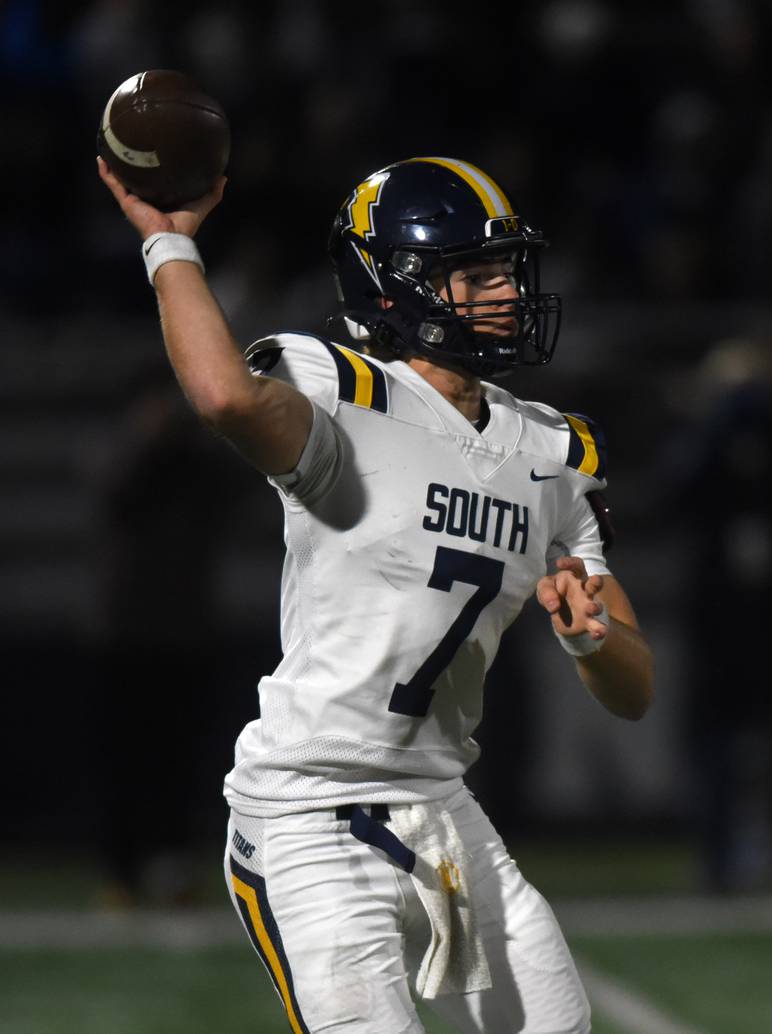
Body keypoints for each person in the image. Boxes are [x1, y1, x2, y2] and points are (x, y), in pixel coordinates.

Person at [98, 152, 654, 1034]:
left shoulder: (552, 449)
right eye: (474, 274)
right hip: (306, 811)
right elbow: (223, 398)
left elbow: (633, 691)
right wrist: (169, 245)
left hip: (444, 806)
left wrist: (590, 642)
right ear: (398, 289)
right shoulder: (342, 393)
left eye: (507, 269)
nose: (506, 292)